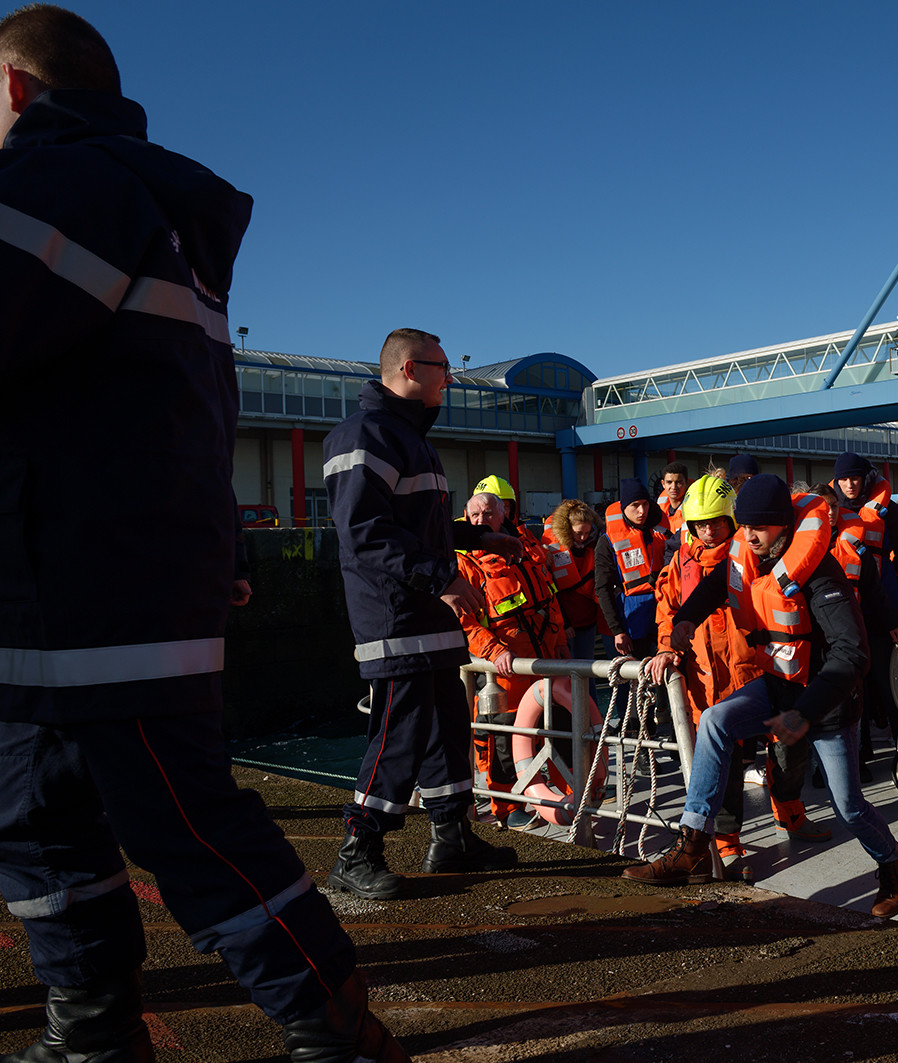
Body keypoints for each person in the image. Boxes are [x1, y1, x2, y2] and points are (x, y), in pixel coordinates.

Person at [0, 7, 404, 1059]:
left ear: (11, 91)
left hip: (82, 575)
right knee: (41, 818)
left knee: (181, 824)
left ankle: (339, 1030)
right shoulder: (148, 212)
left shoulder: (55, 184)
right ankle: (91, 1027)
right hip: (88, 570)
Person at [622, 476, 898, 917]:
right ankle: (694, 842)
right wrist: (684, 621)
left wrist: (805, 712)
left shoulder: (819, 574)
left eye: (759, 527)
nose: (749, 536)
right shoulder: (747, 554)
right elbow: (715, 585)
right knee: (716, 720)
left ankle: (893, 868)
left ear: (782, 526)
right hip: (776, 686)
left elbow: (853, 652)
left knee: (849, 807)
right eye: (746, 526)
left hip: (826, 705)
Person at [323, 329, 517, 901]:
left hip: (426, 620)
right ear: (410, 368)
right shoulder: (367, 436)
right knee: (398, 736)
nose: (449, 378)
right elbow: (363, 533)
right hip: (396, 621)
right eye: (442, 367)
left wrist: (471, 537)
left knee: (447, 731)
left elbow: (413, 530)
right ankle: (356, 854)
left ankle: (452, 837)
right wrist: (444, 578)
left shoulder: (406, 437)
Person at [644, 475, 763, 865]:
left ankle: (790, 817)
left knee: (780, 754)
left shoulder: (753, 555)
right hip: (701, 679)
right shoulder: (680, 563)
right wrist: (666, 650)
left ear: (731, 521)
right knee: (720, 765)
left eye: (715, 522)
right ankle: (725, 841)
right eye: (700, 524)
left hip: (750, 673)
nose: (708, 531)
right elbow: (667, 614)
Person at [456, 491, 567, 826]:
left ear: (502, 513)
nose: (480, 521)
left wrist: (561, 642)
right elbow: (465, 619)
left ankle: (567, 795)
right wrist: (495, 651)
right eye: (473, 515)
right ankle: (506, 807)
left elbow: (549, 596)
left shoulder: (522, 547)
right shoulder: (465, 561)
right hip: (504, 668)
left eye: (487, 513)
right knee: (501, 739)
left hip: (545, 658)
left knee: (556, 728)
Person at [832, 452, 898, 751]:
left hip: (882, 610)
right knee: (854, 686)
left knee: (887, 681)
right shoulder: (831, 513)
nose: (849, 485)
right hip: (844, 612)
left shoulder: (888, 511)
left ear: (866, 478)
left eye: (855, 477)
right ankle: (860, 753)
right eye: (843, 479)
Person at [595, 478, 672, 658]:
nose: (642, 511)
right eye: (635, 505)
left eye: (645, 504)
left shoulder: (660, 532)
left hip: (664, 615)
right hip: (631, 622)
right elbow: (602, 588)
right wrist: (617, 631)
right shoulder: (607, 542)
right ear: (623, 508)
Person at [544, 499, 603, 659]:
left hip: (588, 621)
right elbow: (549, 592)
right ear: (568, 530)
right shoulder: (550, 552)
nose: (583, 537)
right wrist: (565, 623)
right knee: (566, 675)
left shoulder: (596, 546)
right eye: (578, 533)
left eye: (587, 532)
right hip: (564, 624)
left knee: (588, 671)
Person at [658, 461, 690, 539]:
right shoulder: (658, 510)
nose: (674, 487)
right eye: (669, 482)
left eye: (678, 482)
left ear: (686, 483)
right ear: (663, 484)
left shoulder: (693, 509)